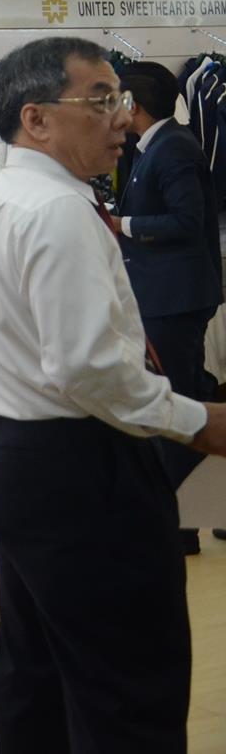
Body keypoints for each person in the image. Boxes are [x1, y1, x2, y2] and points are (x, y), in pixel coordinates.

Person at [0, 36, 226, 753]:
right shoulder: (56, 211)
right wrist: (197, 420)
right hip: (81, 467)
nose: (121, 117)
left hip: (20, 459)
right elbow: (89, 370)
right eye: (102, 99)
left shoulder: (4, 198)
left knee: (39, 672)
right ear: (37, 118)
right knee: (129, 684)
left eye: (121, 99)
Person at [116, 60, 224, 555]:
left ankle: (184, 524)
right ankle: (192, 518)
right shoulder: (154, 147)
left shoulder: (174, 147)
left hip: (176, 300)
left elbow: (186, 220)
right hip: (165, 297)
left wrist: (123, 226)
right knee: (185, 397)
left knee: (179, 404)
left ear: (133, 104)